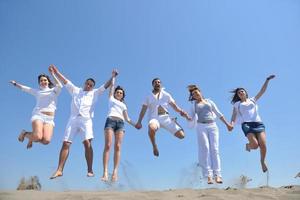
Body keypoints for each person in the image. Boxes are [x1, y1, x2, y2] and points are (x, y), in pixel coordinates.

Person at [50, 66, 118, 179]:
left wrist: (113, 76)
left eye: (91, 85)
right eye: (87, 83)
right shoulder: (75, 90)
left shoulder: (95, 93)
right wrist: (56, 72)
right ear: (84, 83)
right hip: (73, 119)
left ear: (93, 87)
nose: (88, 86)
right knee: (66, 143)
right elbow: (65, 80)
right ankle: (59, 170)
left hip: (86, 120)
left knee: (87, 143)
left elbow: (106, 86)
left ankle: (90, 169)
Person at [186, 85, 233, 184]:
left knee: (215, 149)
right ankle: (208, 175)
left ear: (200, 92)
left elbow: (219, 113)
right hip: (201, 127)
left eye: (196, 92)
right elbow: (190, 117)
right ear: (193, 97)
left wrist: (227, 124)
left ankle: (218, 175)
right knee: (205, 149)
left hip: (213, 126)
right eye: (193, 94)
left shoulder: (209, 102)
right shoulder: (193, 105)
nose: (195, 94)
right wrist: (187, 117)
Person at [230, 75, 275, 173]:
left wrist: (267, 80)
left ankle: (262, 162)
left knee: (263, 145)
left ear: (246, 93)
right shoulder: (237, 104)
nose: (241, 92)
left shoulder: (253, 100)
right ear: (238, 95)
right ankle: (248, 145)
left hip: (258, 124)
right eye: (239, 92)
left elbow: (262, 91)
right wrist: (231, 124)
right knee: (255, 145)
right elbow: (234, 115)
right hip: (247, 125)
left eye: (242, 91)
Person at [9, 65, 62, 149]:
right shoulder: (37, 92)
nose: (43, 81)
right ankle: (25, 133)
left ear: (48, 81)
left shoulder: (54, 91)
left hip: (50, 119)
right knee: (37, 137)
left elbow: (59, 85)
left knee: (46, 141)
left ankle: (31, 137)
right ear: (39, 83)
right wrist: (15, 84)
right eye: (41, 81)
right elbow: (26, 88)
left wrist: (52, 74)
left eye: (45, 80)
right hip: (38, 115)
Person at [135, 78, 190, 157]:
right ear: (153, 85)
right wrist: (139, 121)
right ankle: (154, 146)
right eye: (155, 82)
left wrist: (181, 111)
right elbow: (143, 109)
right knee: (152, 127)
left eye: (159, 82)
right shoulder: (148, 96)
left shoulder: (166, 95)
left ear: (161, 84)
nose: (157, 83)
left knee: (182, 136)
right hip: (154, 118)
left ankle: (174, 121)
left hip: (166, 119)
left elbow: (175, 106)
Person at [101, 74, 136, 182]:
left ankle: (115, 172)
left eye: (121, 93)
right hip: (110, 122)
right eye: (117, 92)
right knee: (108, 145)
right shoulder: (111, 98)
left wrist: (136, 125)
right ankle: (105, 172)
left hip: (121, 124)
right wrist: (113, 77)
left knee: (118, 146)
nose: (119, 93)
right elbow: (112, 86)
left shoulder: (124, 105)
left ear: (122, 95)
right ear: (115, 93)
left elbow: (128, 119)